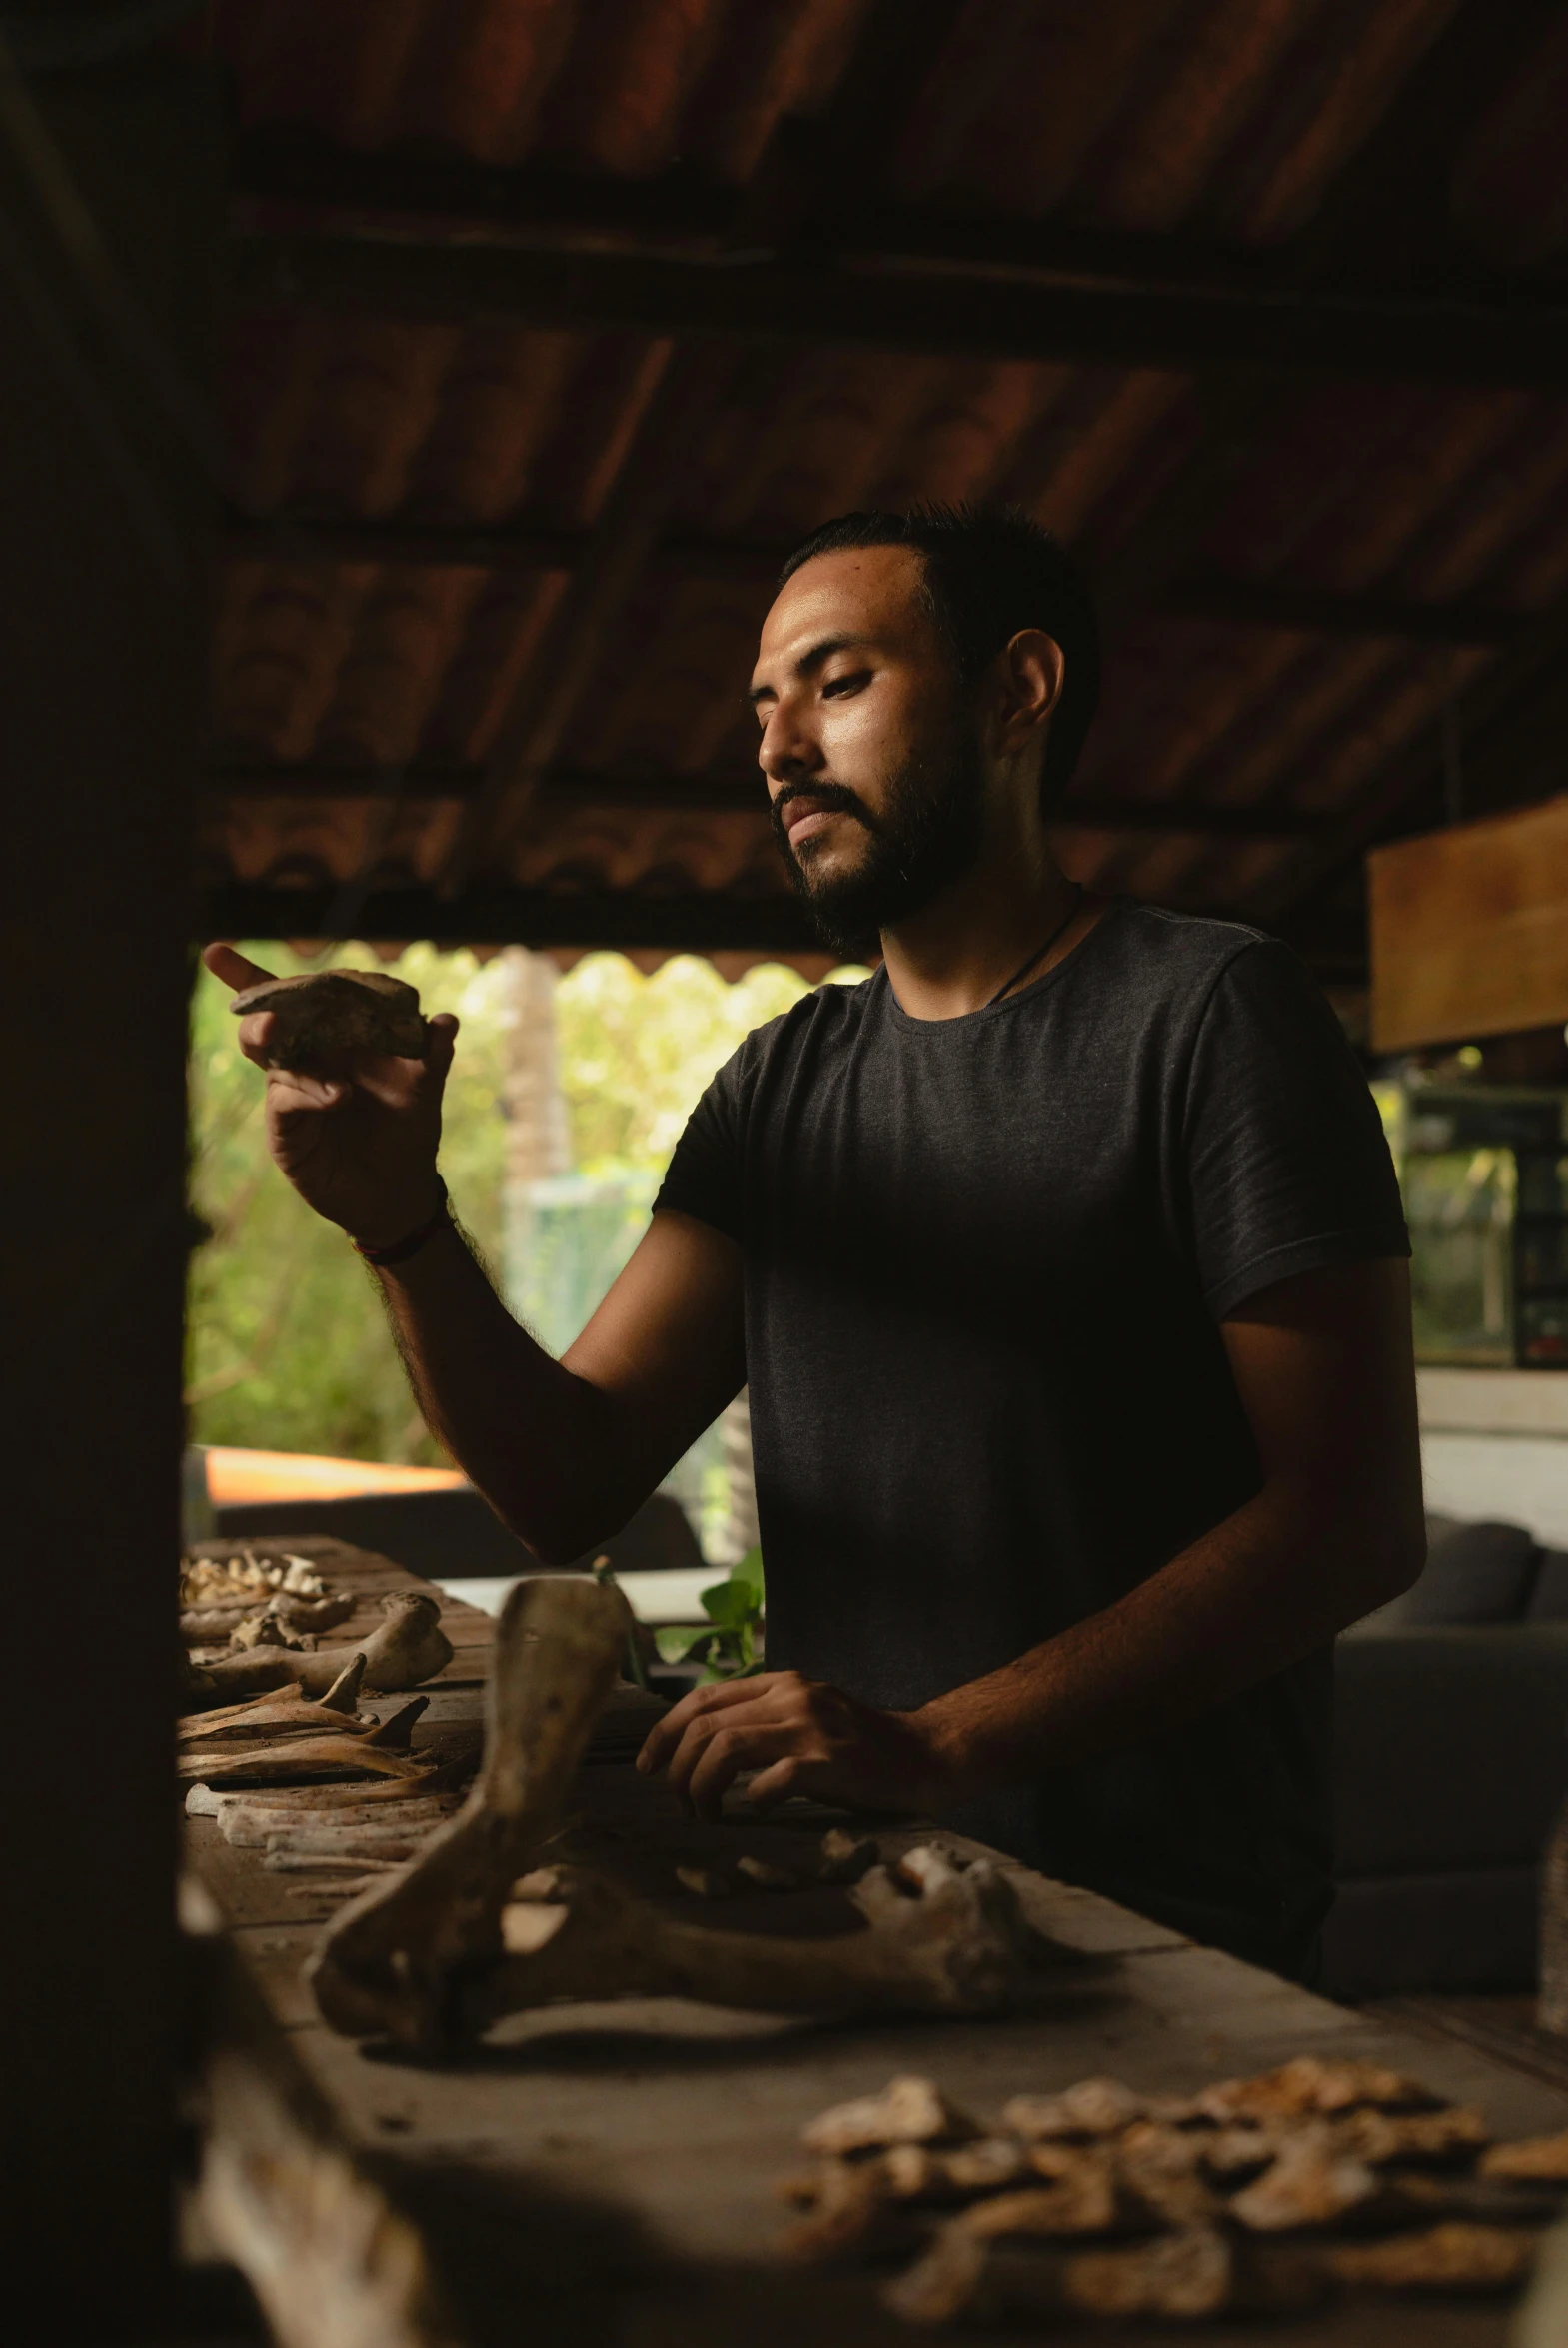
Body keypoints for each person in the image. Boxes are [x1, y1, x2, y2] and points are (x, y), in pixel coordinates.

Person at [206, 502, 1422, 1983]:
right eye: (764, 708)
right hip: (842, 1903)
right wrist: (400, 1221)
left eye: (838, 684)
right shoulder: (783, 1084)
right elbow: (563, 1480)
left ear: (1016, 694)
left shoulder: (1215, 1015)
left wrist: (938, 1741)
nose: (779, 749)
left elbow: (1350, 1516)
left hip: (1163, 1939)